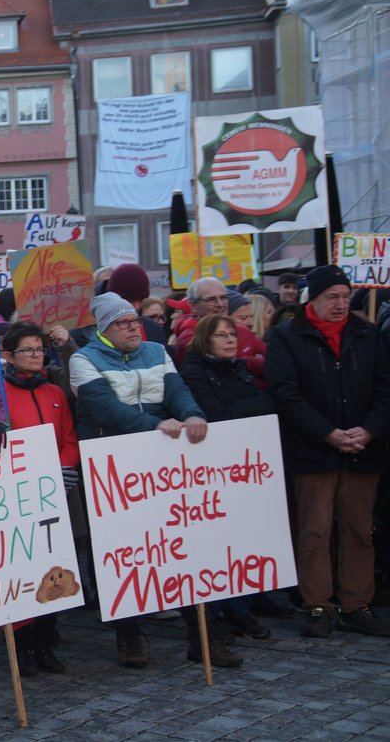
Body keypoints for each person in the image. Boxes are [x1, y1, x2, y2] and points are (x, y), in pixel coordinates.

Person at [70, 292, 212, 668]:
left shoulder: (157, 351)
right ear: (104, 329)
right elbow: (106, 408)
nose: (134, 327)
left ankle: (201, 633)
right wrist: (155, 424)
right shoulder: (83, 359)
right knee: (121, 551)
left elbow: (177, 392)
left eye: (135, 321)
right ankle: (128, 633)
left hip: (159, 460)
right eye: (123, 323)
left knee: (178, 541)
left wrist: (193, 415)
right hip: (112, 463)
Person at [266, 265, 390, 638]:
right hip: (313, 449)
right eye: (331, 297)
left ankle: (356, 604)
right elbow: (285, 393)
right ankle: (318, 605)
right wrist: (327, 433)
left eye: (344, 296)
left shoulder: (366, 333)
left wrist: (368, 430)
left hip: (361, 448)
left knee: (359, 530)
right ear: (313, 299)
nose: (340, 304)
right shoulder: (288, 335)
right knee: (314, 531)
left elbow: (386, 388)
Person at [180, 314, 281, 635]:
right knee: (218, 542)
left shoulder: (236, 368)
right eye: (221, 335)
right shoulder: (195, 371)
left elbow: (265, 405)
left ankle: (243, 604)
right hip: (212, 469)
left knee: (244, 538)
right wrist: (256, 406)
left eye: (232, 335)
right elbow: (220, 416)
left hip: (245, 467)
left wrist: (252, 407)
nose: (230, 341)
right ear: (204, 340)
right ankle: (224, 612)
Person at [0, 322, 80, 676]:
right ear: (9, 356)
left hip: (53, 494)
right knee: (22, 570)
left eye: (38, 349)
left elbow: (70, 440)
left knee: (54, 571)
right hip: (16, 496)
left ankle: (46, 641)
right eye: (27, 350)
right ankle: (23, 646)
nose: (35, 356)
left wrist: (58, 471)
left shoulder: (55, 394)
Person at [173, 278, 267, 386]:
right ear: (193, 305)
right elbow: (222, 372)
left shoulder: (242, 330)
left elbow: (273, 362)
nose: (220, 304)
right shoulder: (189, 338)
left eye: (223, 297)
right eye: (211, 299)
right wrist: (250, 363)